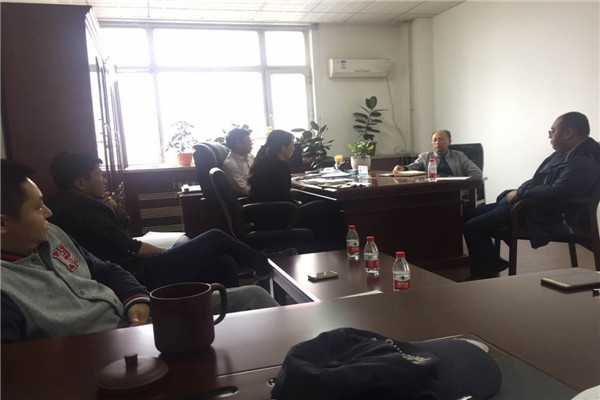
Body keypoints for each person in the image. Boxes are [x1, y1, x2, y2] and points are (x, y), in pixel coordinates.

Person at [0, 160, 279, 344]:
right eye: (37, 208)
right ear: (3, 223)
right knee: (214, 240)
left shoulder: (53, 235)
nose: (48, 213)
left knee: (249, 291)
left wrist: (136, 299)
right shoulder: (7, 289)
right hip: (109, 344)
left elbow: (106, 270)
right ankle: (265, 264)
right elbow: (19, 372)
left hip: (135, 312)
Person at [46, 153, 273, 291]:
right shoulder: (82, 213)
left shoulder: (78, 204)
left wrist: (112, 209)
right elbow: (131, 248)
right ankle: (263, 264)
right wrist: (173, 253)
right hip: (135, 274)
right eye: (99, 175)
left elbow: (118, 233)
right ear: (80, 183)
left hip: (132, 266)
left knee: (223, 262)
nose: (104, 180)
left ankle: (231, 312)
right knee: (215, 238)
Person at [462, 112, 600, 280]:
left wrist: (522, 193)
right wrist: (519, 191)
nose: (549, 136)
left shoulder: (583, 161)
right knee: (466, 216)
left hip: (547, 214)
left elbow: (559, 192)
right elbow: (538, 180)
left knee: (473, 226)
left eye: (552, 131)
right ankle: (491, 264)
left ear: (568, 133)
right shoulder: (565, 152)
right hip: (532, 205)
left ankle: (484, 275)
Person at [248, 130, 345, 252]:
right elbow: (281, 194)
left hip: (265, 213)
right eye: (292, 144)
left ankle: (325, 248)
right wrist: (294, 203)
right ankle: (334, 249)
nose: (294, 148)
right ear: (283, 148)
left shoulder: (265, 161)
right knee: (328, 206)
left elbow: (275, 192)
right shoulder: (279, 165)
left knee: (309, 198)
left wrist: (294, 201)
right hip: (278, 216)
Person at [393, 130, 482, 178]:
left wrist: (463, 185)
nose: (437, 143)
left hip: (455, 191)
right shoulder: (425, 157)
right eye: (434, 140)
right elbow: (413, 167)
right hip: (432, 190)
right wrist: (403, 168)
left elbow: (477, 173)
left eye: (441, 139)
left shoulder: (459, 156)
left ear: (449, 141)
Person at [222, 128, 255, 195]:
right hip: (250, 197)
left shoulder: (250, 156)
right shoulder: (230, 164)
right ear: (238, 144)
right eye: (248, 140)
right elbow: (243, 189)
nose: (251, 143)